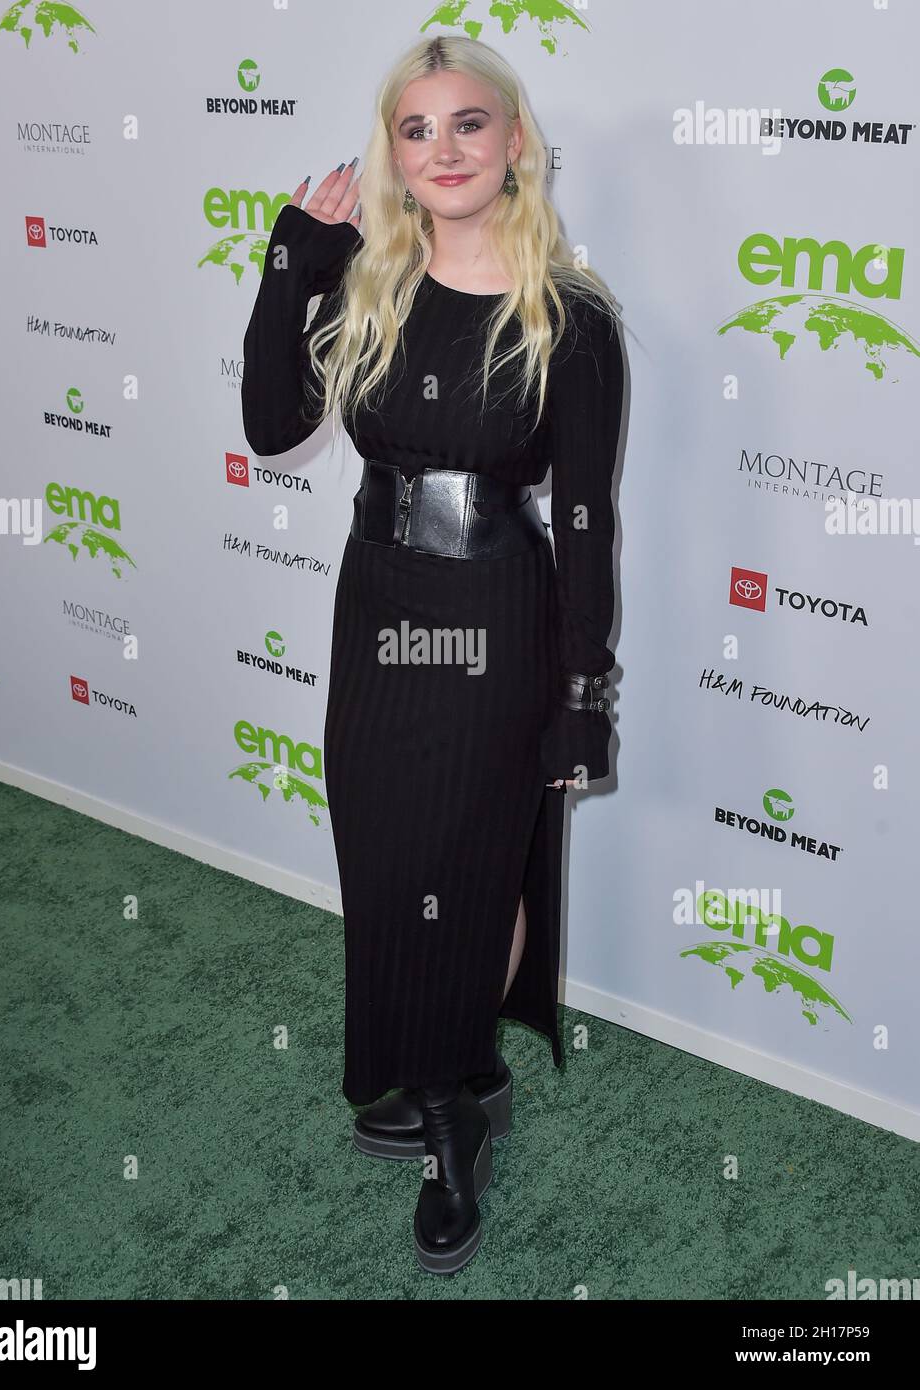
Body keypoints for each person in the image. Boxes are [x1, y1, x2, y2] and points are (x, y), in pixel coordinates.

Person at [242, 33, 626, 1276]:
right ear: (392, 153)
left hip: (497, 620)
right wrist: (291, 259)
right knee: (384, 844)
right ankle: (427, 1067)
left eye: (469, 124)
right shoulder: (370, 284)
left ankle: (457, 1112)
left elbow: (582, 518)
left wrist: (583, 692)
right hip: (376, 604)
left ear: (514, 142)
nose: (444, 150)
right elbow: (270, 421)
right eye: (418, 130)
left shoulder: (570, 318)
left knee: (470, 866)